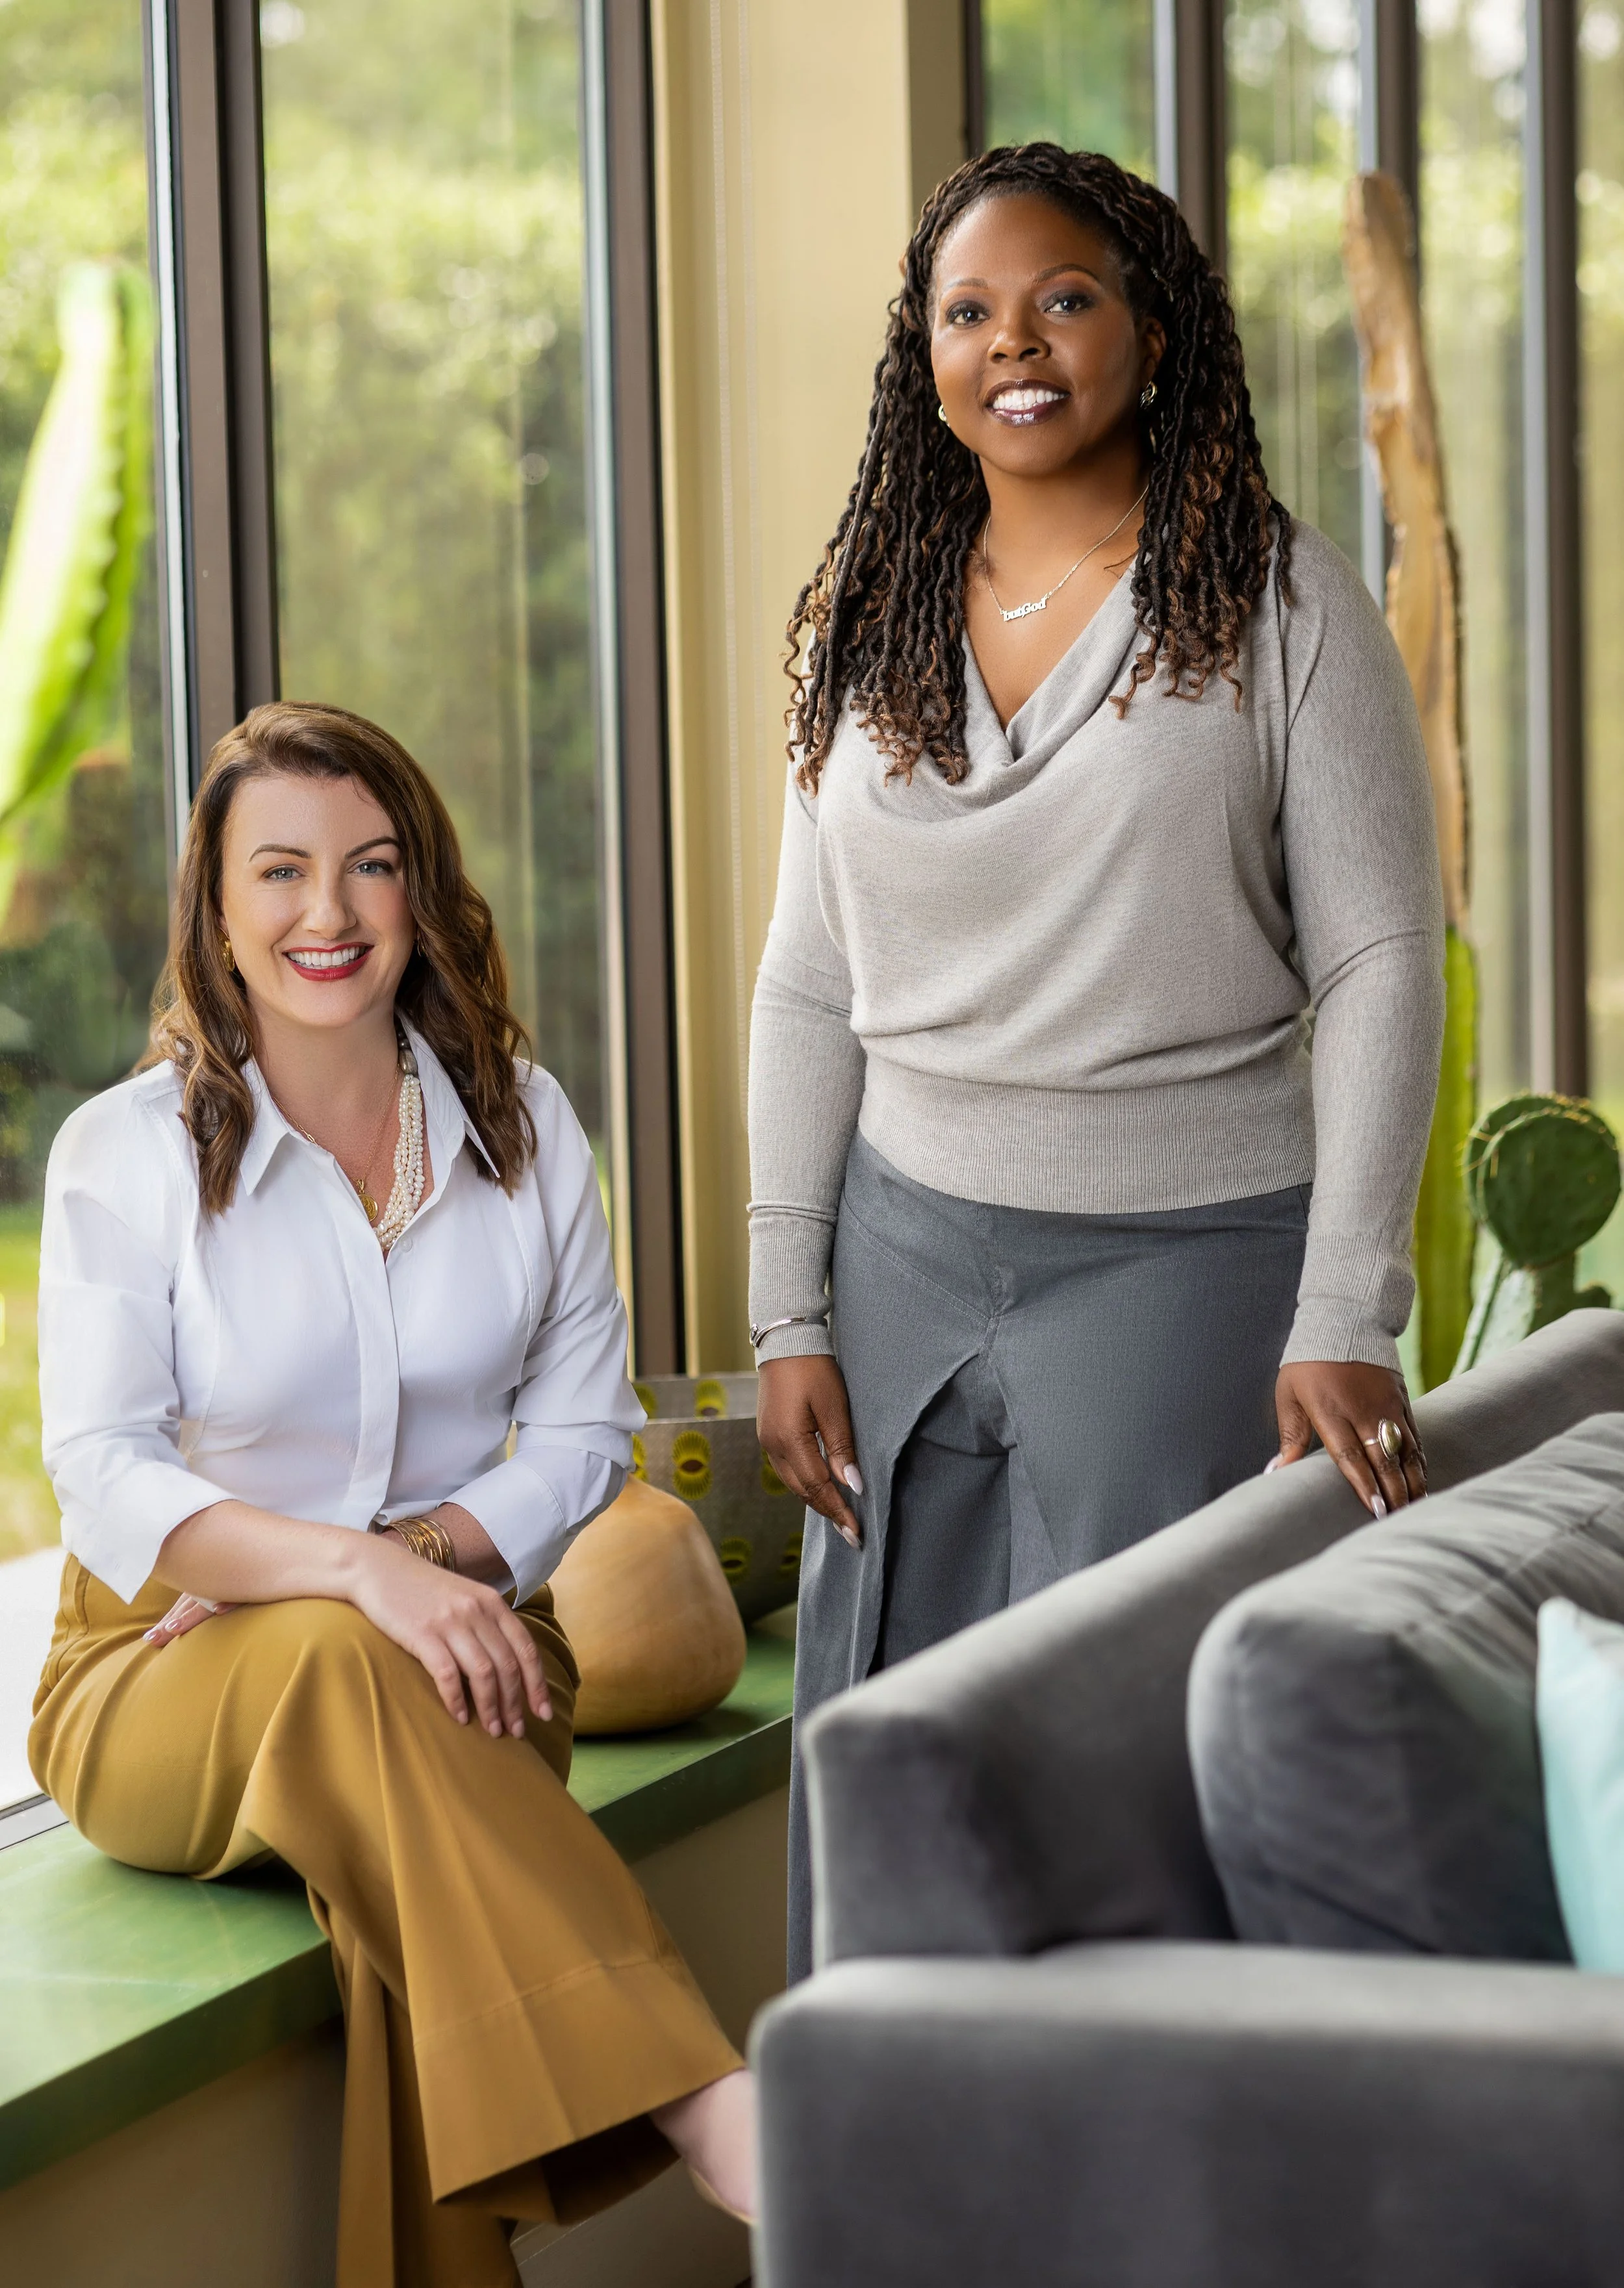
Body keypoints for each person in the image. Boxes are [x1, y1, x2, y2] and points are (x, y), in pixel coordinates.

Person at [748, 145, 1445, 1978]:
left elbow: (1381, 959)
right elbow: (807, 984)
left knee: (1127, 1767)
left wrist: (1346, 1304)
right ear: (923, 351)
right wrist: (783, 1308)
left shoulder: (1276, 602)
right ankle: (885, 2204)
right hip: (895, 1259)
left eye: (1063, 296)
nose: (1017, 345)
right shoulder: (862, 614)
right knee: (882, 1739)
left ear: (1150, 325)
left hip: (1189, 1258)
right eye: (967, 312)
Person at [29, 702, 755, 2287]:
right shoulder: (126, 1154)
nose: (327, 914)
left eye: (369, 866)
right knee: (347, 1653)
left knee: (395, 1877)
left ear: (419, 888)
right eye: (277, 871)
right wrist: (354, 1577)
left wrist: (416, 1560)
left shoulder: (526, 1127)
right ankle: (712, 2103)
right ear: (215, 912)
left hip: (476, 1662)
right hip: (154, 1680)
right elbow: (98, 1476)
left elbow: (583, 1432)